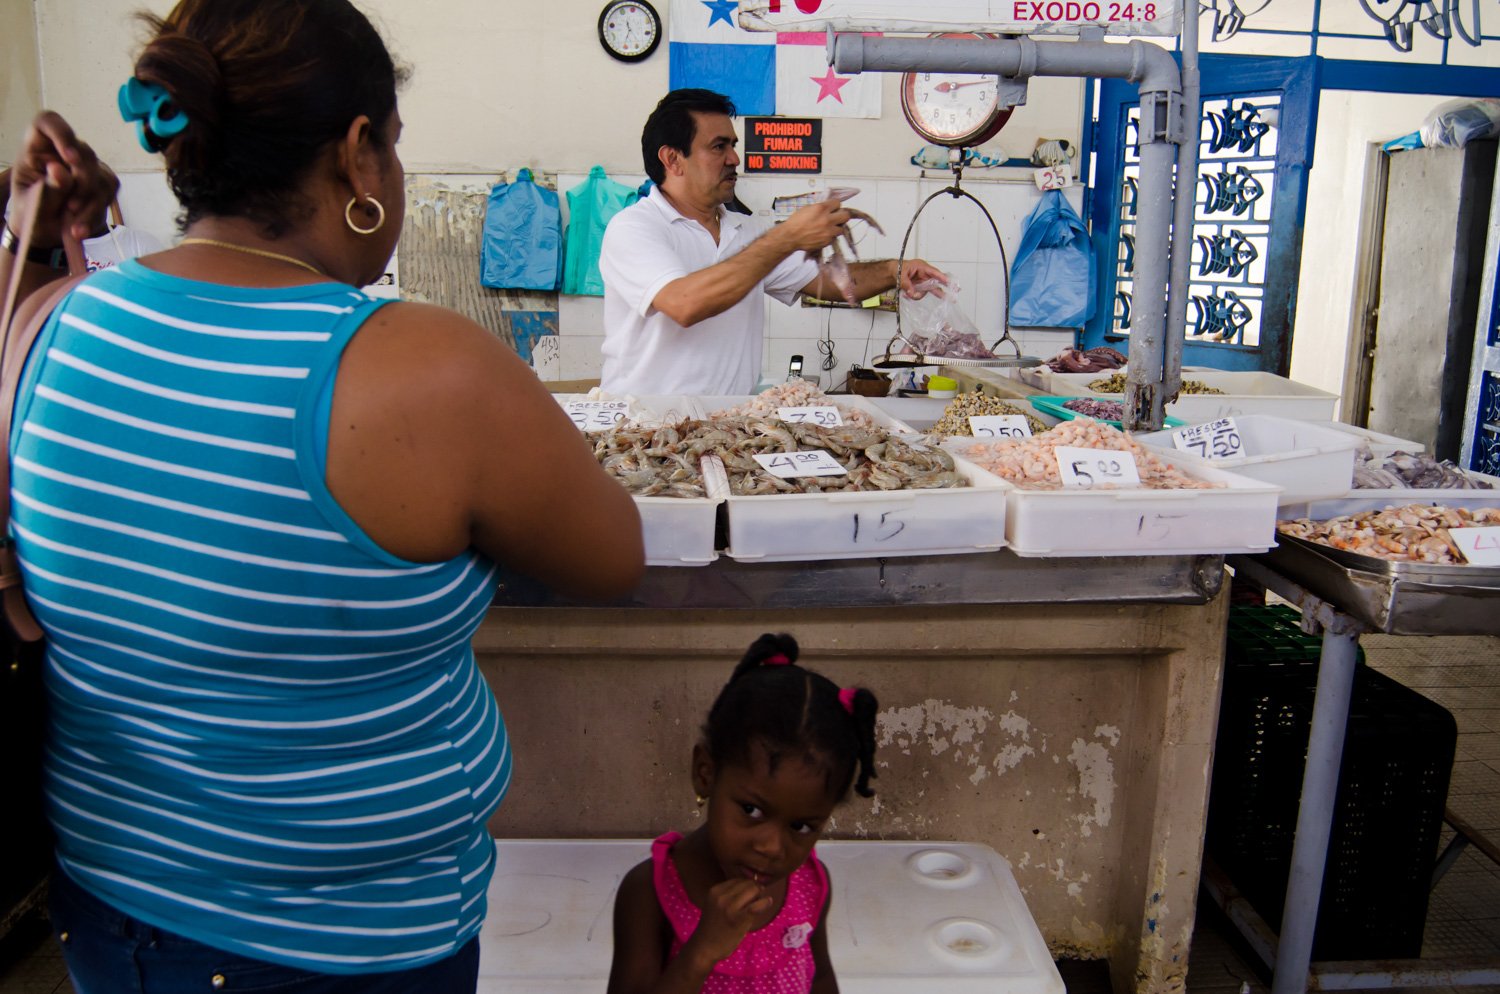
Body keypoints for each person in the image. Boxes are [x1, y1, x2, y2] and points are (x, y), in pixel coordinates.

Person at [1, 1, 644, 991]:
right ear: (358, 156)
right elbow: (613, 556)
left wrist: (48, 244)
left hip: (108, 919)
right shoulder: (428, 369)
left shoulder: (51, 324)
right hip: (349, 946)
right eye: (393, 147)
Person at [599, 89, 946, 396]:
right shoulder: (635, 227)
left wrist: (893, 271)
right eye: (718, 146)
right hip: (645, 426)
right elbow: (685, 304)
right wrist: (786, 236)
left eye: (733, 145)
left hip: (725, 426)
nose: (734, 159)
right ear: (672, 159)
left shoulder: (745, 230)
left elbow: (824, 280)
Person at [607, 633, 879, 994]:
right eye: (751, 810)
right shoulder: (650, 892)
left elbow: (820, 978)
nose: (770, 847)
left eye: (800, 826)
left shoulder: (808, 885)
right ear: (706, 773)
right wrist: (701, 953)